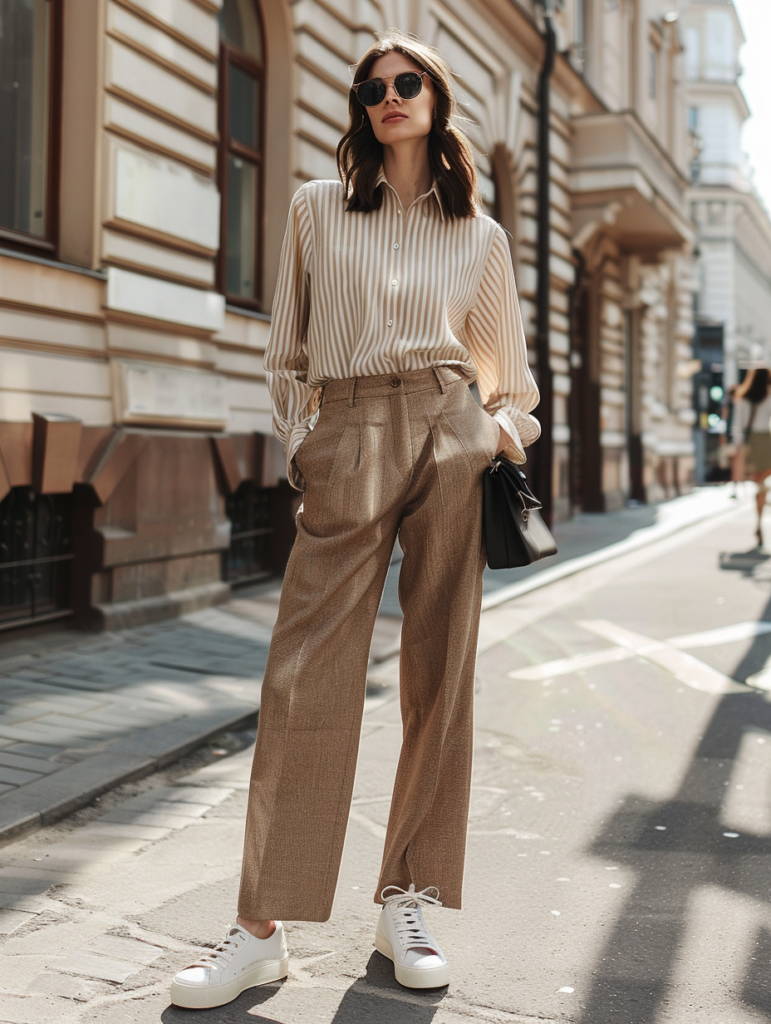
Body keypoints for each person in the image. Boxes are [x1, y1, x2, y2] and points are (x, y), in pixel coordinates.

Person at [170, 29, 540, 1009]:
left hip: (448, 431)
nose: (389, 94)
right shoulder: (313, 210)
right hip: (347, 428)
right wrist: (304, 446)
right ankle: (260, 928)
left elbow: (517, 383)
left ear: (436, 99)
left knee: (438, 674)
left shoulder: (482, 235)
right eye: (372, 86)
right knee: (300, 681)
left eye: (407, 81)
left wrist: (486, 436)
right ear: (360, 106)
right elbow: (284, 351)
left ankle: (405, 900)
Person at [733, 367, 771, 545]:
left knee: (759, 484)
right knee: (764, 481)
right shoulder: (770, 397)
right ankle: (763, 500)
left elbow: (738, 427)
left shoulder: (743, 398)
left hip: (752, 443)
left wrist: (739, 447)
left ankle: (759, 520)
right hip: (767, 440)